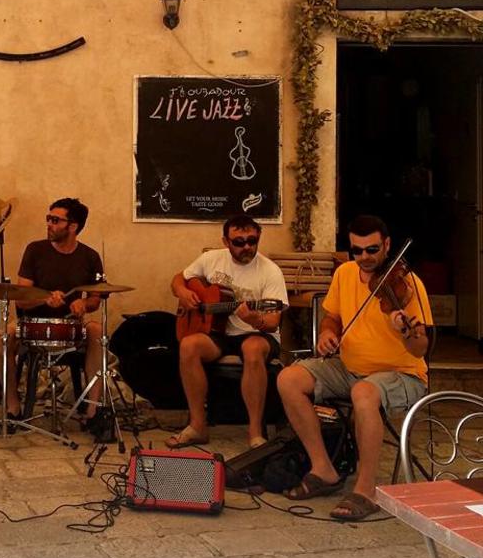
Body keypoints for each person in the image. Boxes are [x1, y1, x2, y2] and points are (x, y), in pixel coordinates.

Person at [277, 215, 431, 521]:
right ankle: (323, 469)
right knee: (288, 378)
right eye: (356, 251)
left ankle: (366, 489)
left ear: (387, 245)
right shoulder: (345, 273)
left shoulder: (410, 285)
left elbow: (421, 348)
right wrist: (326, 333)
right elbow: (332, 316)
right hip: (349, 367)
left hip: (402, 374)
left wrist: (405, 331)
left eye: (372, 250)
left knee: (363, 392)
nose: (364, 257)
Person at [167, 214, 288, 450]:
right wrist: (182, 291)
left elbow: (273, 322)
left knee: (252, 348)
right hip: (219, 332)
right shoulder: (211, 259)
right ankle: (197, 425)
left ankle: (255, 432)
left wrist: (255, 319)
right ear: (226, 241)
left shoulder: (270, 271)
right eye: (239, 242)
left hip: (258, 334)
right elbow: (179, 278)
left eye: (252, 241)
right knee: (189, 345)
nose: (247, 247)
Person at [0, 198, 107, 437]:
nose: (49, 223)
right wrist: (44, 298)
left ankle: (93, 411)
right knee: (1, 337)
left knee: (97, 331)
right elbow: (21, 298)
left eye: (55, 220)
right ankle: (12, 408)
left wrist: (83, 304)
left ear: (73, 226)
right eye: (48, 218)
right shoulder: (35, 250)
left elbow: (96, 299)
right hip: (32, 323)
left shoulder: (90, 256)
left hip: (71, 325)